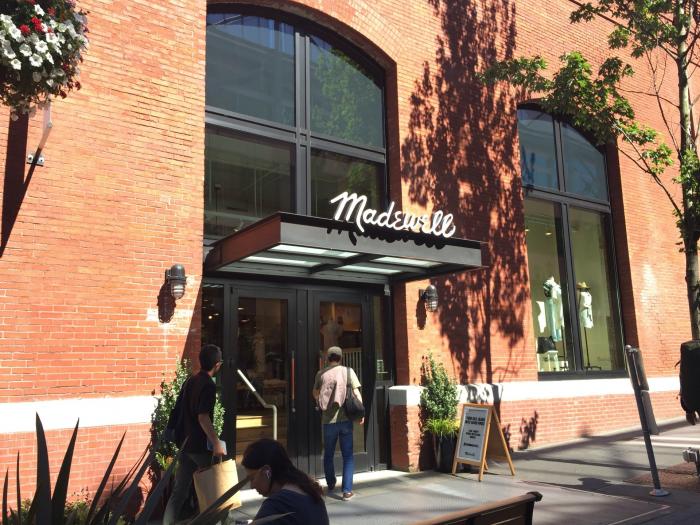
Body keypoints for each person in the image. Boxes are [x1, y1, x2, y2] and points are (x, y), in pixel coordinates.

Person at [163, 344, 225, 525]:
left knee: (179, 491)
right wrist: (216, 443)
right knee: (213, 490)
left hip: (185, 443)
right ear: (217, 364)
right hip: (199, 447)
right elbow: (203, 417)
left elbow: (178, 409)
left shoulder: (190, 381)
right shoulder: (208, 385)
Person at [312, 346, 363, 501]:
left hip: (328, 421)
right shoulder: (348, 371)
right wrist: (361, 413)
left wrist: (322, 398)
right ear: (340, 358)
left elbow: (315, 393)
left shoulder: (321, 374)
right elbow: (356, 392)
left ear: (328, 358)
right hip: (346, 419)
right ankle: (347, 491)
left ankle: (331, 483)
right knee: (348, 456)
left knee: (328, 454)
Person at [242, 438, 329, 525]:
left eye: (252, 478)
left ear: (266, 471)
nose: (252, 486)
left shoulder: (277, 504)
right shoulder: (309, 490)